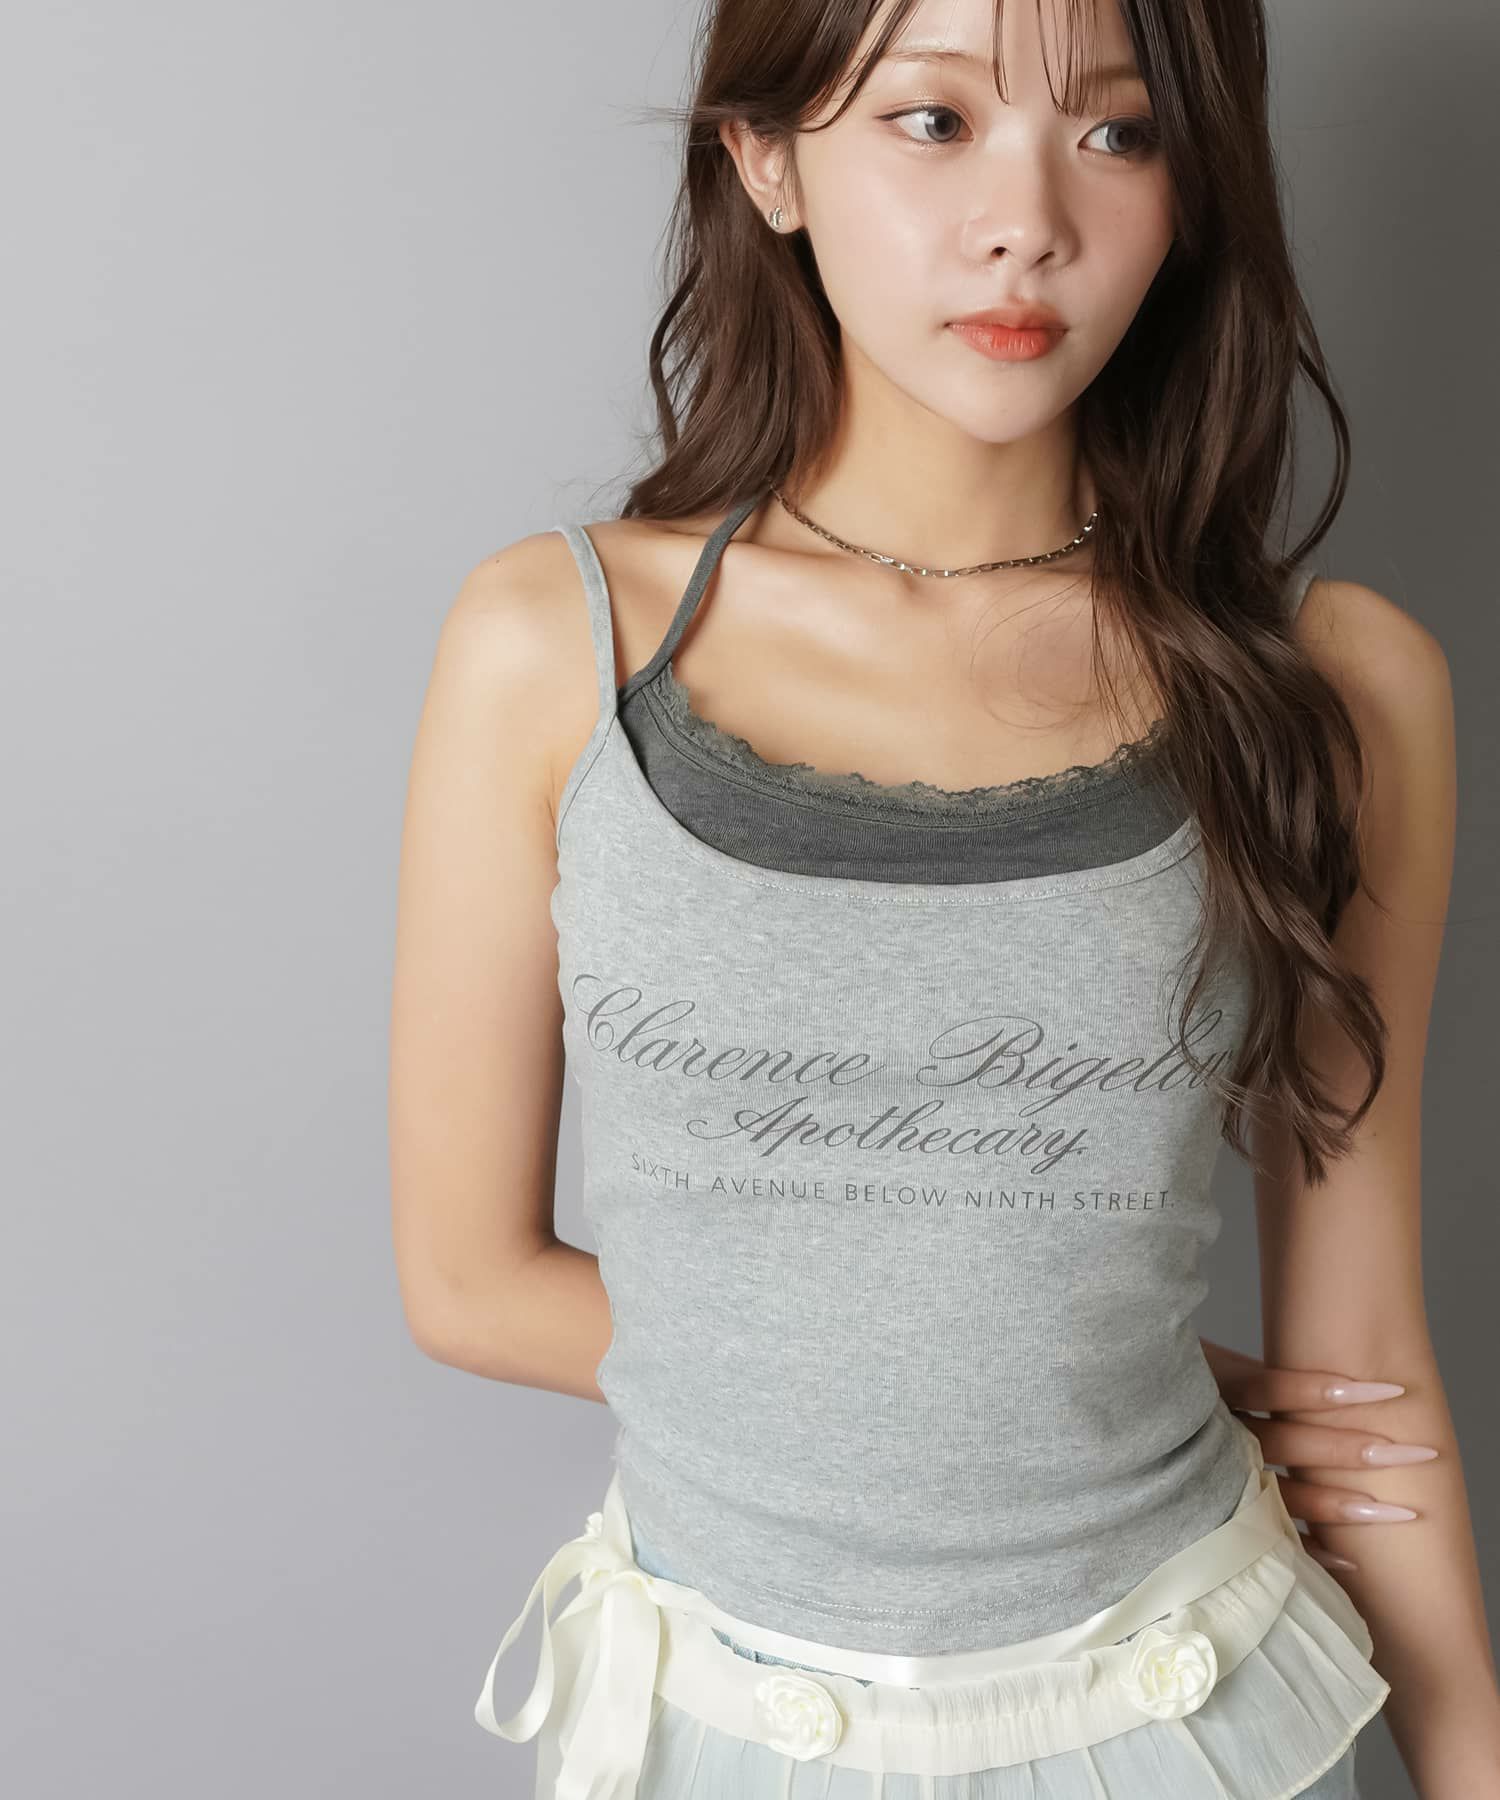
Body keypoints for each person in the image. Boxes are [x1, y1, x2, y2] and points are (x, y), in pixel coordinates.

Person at [388, 0, 1499, 1794]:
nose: (1027, 224)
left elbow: (1361, 1377)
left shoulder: (1336, 688)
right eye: (933, 122)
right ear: (765, 160)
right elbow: (468, 1281)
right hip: (713, 1733)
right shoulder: (553, 648)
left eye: (1118, 134)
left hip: (1198, 1722)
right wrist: (1017, 1375)